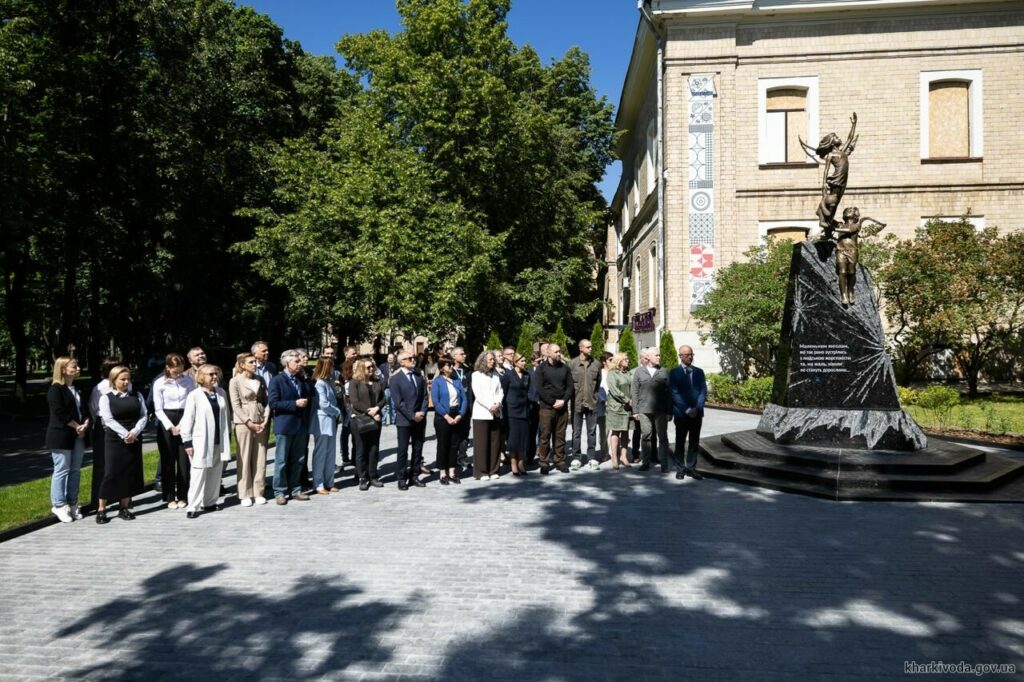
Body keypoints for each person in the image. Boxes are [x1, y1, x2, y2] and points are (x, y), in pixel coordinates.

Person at [96, 366, 147, 524]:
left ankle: (123, 507)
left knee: (128, 472)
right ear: (113, 380)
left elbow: (144, 415)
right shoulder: (106, 398)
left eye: (128, 379)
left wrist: (134, 432)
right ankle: (102, 509)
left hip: (134, 437)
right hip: (115, 439)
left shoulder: (137, 395)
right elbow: (108, 419)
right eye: (122, 379)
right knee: (111, 473)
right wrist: (125, 434)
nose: (126, 382)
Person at [180, 364, 232, 518]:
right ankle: (193, 505)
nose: (215, 377)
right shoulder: (194, 396)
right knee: (198, 472)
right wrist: (187, 442)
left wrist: (228, 435)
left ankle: (209, 502)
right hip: (200, 441)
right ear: (201, 377)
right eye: (211, 374)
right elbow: (188, 420)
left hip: (218, 440)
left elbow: (227, 416)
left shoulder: (221, 393)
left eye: (216, 374)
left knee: (215, 471)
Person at [45, 357, 90, 522]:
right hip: (61, 435)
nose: (78, 368)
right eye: (74, 366)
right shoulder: (55, 389)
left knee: (75, 470)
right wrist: (76, 425)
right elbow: (59, 412)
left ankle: (72, 502)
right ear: (63, 369)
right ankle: (58, 505)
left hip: (78, 434)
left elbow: (84, 409)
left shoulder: (77, 389)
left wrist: (85, 423)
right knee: (62, 469)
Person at [152, 353, 195, 509]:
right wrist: (171, 426)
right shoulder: (160, 383)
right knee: (168, 459)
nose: (178, 374)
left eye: (180, 371)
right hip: (167, 419)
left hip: (184, 416)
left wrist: (182, 424)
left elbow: (191, 403)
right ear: (167, 368)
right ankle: (170, 496)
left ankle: (183, 494)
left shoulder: (189, 381)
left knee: (184, 459)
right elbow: (158, 408)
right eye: (175, 371)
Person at [268, 349, 312, 504]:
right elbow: (273, 403)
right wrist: (294, 404)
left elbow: (309, 394)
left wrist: (305, 378)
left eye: (300, 361)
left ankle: (296, 489)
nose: (300, 364)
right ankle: (279, 491)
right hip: (285, 425)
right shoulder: (277, 380)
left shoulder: (300, 379)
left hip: (300, 425)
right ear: (287, 363)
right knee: (282, 460)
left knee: (298, 459)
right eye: (296, 361)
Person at [229, 352, 269, 506]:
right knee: (244, 457)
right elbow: (235, 404)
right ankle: (244, 492)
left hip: (260, 419)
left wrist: (265, 418)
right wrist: (248, 422)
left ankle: (258, 490)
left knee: (260, 457)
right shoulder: (235, 381)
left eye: (255, 362)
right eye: (251, 362)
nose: (255, 364)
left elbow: (266, 401)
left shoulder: (260, 379)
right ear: (242, 364)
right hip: (243, 421)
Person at [88, 358, 124, 507]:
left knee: (121, 463)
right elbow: (94, 409)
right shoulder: (100, 387)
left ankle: (120, 496)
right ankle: (99, 500)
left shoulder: (125, 384)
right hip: (104, 428)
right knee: (102, 465)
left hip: (123, 426)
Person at [390, 350, 429, 490]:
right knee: (403, 450)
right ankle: (401, 478)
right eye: (409, 358)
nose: (413, 360)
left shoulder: (418, 375)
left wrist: (423, 412)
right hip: (405, 420)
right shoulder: (395, 379)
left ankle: (414, 475)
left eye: (413, 357)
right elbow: (398, 402)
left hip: (420, 419)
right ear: (401, 362)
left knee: (418, 448)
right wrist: (412, 415)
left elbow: (425, 396)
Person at [668, 345, 707, 480]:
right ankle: (680, 468)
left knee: (694, 442)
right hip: (681, 414)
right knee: (680, 443)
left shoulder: (699, 372)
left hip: (697, 413)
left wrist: (697, 407)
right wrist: (687, 409)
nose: (690, 356)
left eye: (691, 354)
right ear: (681, 356)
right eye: (687, 354)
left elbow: (703, 391)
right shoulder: (674, 373)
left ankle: (691, 468)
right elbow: (674, 394)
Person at [834, 206, 886, 305]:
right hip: (840, 250)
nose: (848, 212)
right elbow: (828, 220)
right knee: (842, 272)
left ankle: (850, 290)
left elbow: (848, 231)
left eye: (851, 211)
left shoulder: (856, 225)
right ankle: (843, 295)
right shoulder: (840, 225)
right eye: (847, 211)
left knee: (852, 272)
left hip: (852, 251)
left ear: (855, 215)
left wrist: (834, 229)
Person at [535, 343, 573, 474]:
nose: (559, 354)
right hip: (546, 408)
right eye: (556, 352)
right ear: (548, 353)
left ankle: (560, 461)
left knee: (560, 436)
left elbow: (570, 387)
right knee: (545, 436)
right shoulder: (541, 368)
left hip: (562, 408)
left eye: (560, 351)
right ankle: (544, 462)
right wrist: (552, 402)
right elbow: (539, 389)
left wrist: (563, 401)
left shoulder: (565, 368)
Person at [430, 355, 468, 485]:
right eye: (448, 365)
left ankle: (452, 472)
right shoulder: (437, 381)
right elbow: (436, 401)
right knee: (443, 444)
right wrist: (446, 416)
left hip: (456, 414)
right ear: (441, 367)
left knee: (454, 445)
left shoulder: (456, 380)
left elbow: (464, 399)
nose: (451, 367)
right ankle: (442, 473)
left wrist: (460, 415)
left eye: (452, 364)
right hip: (443, 417)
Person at [633, 347, 671, 473]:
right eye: (656, 355)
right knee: (646, 436)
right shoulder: (639, 372)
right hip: (644, 410)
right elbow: (635, 392)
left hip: (661, 411)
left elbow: (670, 393)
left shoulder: (664, 372)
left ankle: (664, 464)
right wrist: (635, 411)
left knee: (663, 437)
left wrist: (670, 411)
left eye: (659, 355)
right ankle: (646, 462)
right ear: (648, 357)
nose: (659, 357)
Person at [350, 357, 386, 490]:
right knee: (361, 449)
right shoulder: (355, 382)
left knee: (374, 448)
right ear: (361, 369)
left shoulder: (377, 382)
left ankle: (373, 475)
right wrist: (370, 412)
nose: (371, 369)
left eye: (372, 366)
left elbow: (383, 399)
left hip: (376, 418)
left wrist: (377, 408)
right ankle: (362, 477)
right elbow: (355, 402)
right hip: (361, 419)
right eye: (368, 367)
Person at [569, 339, 602, 470]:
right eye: (588, 347)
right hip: (576, 403)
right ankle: (576, 458)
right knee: (576, 432)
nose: (591, 349)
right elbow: (569, 385)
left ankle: (591, 457)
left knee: (592, 431)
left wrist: (593, 396)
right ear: (581, 348)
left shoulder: (596, 364)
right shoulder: (572, 364)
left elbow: (598, 383)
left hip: (591, 403)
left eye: (591, 347)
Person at [309, 357, 340, 495]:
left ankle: (329, 481)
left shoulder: (329, 382)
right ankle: (318, 483)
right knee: (321, 453)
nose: (333, 369)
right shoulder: (319, 383)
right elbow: (324, 404)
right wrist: (337, 411)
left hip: (330, 420)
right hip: (322, 421)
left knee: (330, 452)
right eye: (331, 367)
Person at [471, 350, 504, 480]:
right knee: (481, 443)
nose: (492, 361)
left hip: (496, 412)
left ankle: (493, 469)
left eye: (493, 359)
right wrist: (491, 406)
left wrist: (497, 403)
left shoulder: (495, 375)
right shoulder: (476, 375)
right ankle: (481, 471)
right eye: (490, 359)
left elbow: (500, 391)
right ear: (483, 360)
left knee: (495, 442)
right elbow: (478, 394)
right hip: (482, 412)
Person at [504, 353, 532, 477]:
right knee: (514, 439)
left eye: (525, 360)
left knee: (523, 438)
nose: (524, 362)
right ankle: (514, 463)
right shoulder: (508, 375)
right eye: (521, 360)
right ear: (515, 362)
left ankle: (521, 462)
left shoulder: (527, 375)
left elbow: (528, 391)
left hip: (524, 410)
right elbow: (504, 393)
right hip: (512, 410)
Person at [605, 353, 634, 469]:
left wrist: (632, 400)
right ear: (619, 361)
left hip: (628, 407)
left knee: (626, 431)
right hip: (616, 407)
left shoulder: (628, 373)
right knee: (616, 431)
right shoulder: (612, 374)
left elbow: (633, 387)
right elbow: (614, 390)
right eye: (625, 359)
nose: (628, 361)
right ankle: (614, 458)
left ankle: (624, 457)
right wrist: (626, 399)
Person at [451, 347, 473, 471]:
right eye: (461, 354)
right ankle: (452, 458)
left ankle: (462, 456)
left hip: (467, 407)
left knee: (465, 433)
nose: (464, 356)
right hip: (454, 408)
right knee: (454, 434)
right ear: (454, 356)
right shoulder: (449, 371)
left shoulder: (467, 371)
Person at [596, 351, 613, 466]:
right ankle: (604, 452)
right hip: (602, 405)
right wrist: (603, 399)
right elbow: (596, 389)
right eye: (610, 360)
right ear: (604, 361)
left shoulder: (615, 373)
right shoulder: (600, 373)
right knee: (604, 431)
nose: (613, 362)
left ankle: (614, 451)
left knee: (615, 430)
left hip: (614, 405)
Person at [378, 353, 398, 425]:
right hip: (385, 388)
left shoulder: (397, 367)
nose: (389, 359)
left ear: (394, 359)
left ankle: (394, 420)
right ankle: (383, 421)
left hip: (394, 389)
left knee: (393, 405)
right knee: (384, 405)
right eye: (388, 358)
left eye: (391, 358)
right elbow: (379, 376)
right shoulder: (382, 366)